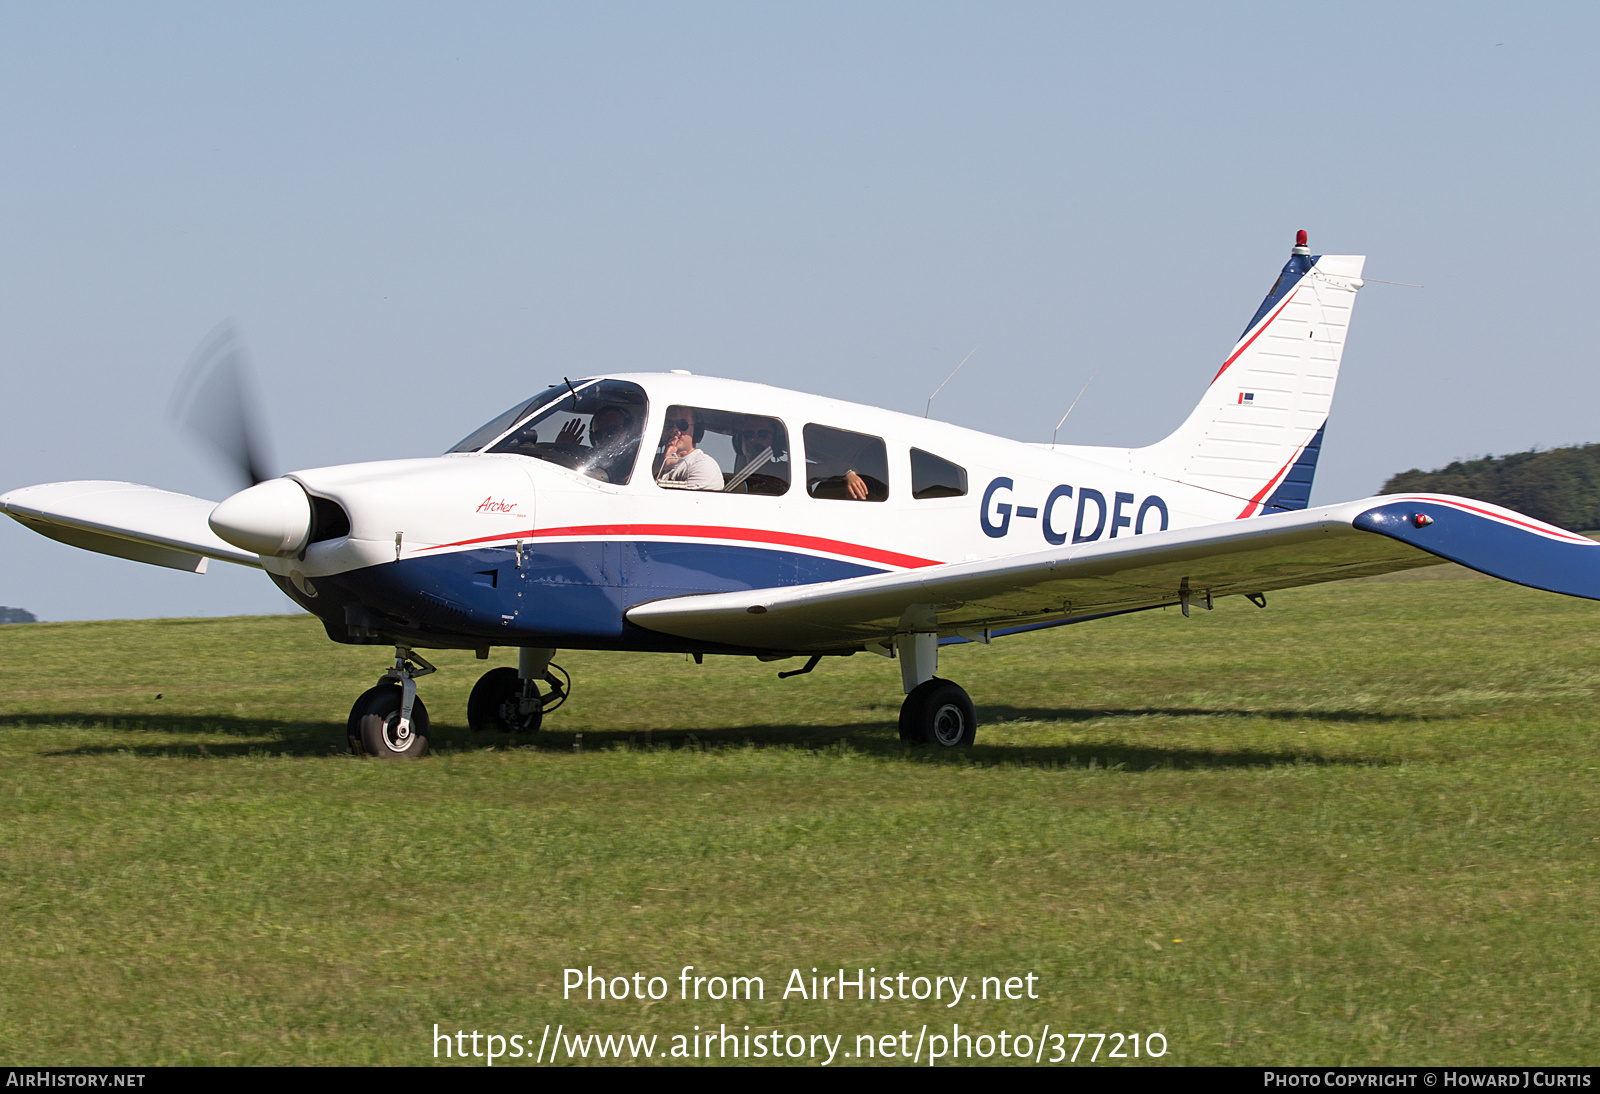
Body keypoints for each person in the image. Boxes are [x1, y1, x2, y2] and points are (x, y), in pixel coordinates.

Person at [655, 407, 722, 490]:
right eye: (668, 424)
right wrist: (662, 465)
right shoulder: (652, 461)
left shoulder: (703, 466)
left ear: (697, 430)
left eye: (682, 424)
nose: (674, 430)